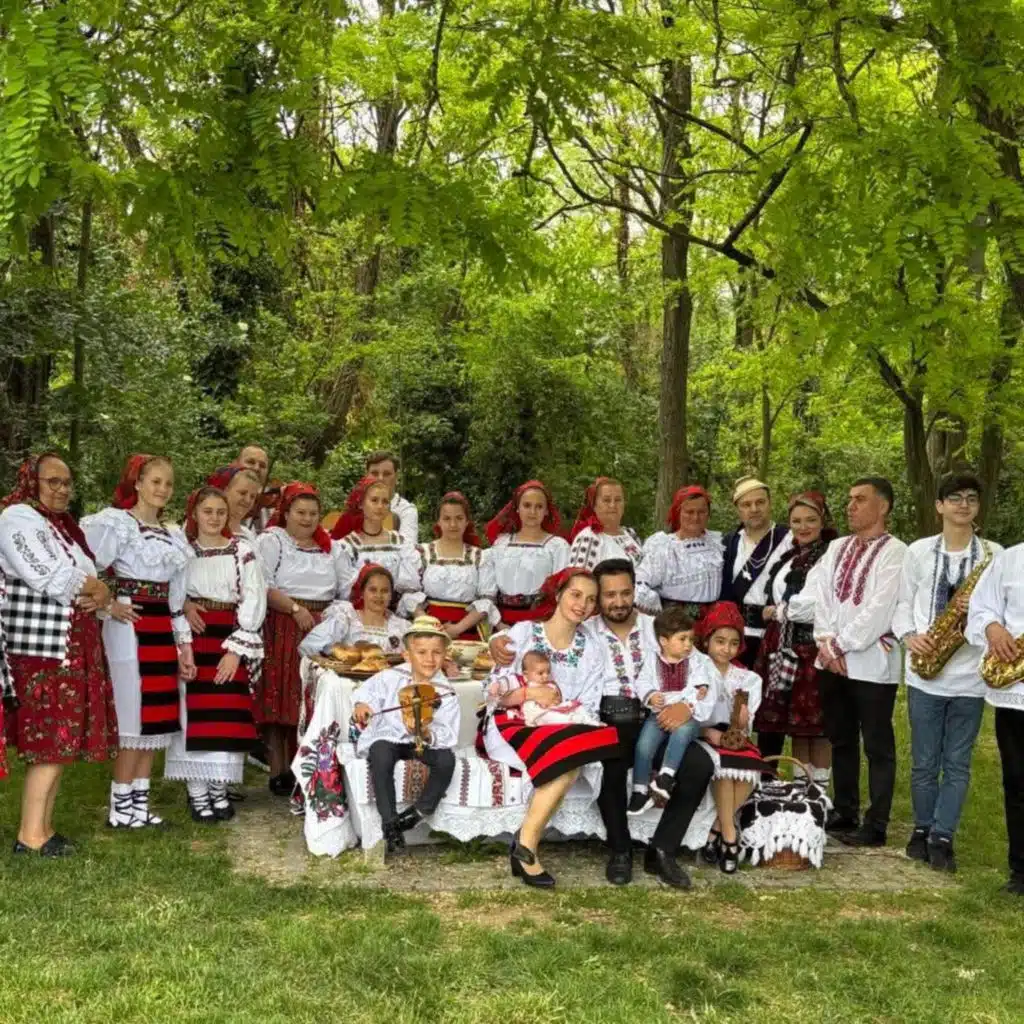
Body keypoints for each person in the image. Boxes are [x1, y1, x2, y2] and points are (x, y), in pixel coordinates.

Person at [0, 454, 118, 854]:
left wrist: (98, 589)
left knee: (60, 741)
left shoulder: (62, 527)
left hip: (70, 644)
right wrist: (97, 588)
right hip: (43, 649)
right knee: (50, 740)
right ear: (31, 482)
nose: (62, 489)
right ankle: (30, 836)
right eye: (53, 481)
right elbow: (47, 574)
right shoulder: (18, 517)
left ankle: (43, 829)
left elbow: (87, 576)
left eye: (67, 482)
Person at [585, 559, 720, 888]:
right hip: (610, 718)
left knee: (699, 765)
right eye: (609, 595)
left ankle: (661, 851)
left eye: (625, 592)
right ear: (598, 596)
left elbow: (702, 668)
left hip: (659, 717)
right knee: (610, 765)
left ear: (635, 590)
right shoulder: (586, 631)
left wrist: (688, 707)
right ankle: (620, 850)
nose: (619, 602)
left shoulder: (657, 627)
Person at [482, 568, 620, 887]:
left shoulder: (592, 648)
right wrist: (530, 694)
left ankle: (525, 845)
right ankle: (527, 848)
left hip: (562, 724)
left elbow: (588, 704)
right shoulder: (524, 633)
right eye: (575, 595)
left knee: (573, 750)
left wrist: (559, 709)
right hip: (516, 720)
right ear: (558, 595)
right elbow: (492, 689)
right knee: (569, 758)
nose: (582, 605)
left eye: (591, 600)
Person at [790, 477, 907, 847]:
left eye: (860, 499)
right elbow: (820, 596)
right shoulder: (837, 546)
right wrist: (827, 644)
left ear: (882, 506)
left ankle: (876, 823)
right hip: (832, 660)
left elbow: (880, 609)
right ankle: (844, 810)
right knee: (840, 738)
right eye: (850, 499)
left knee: (877, 744)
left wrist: (839, 645)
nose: (850, 506)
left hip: (872, 663)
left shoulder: (896, 553)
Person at [893, 474, 1001, 872]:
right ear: (939, 505)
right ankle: (922, 828)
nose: (963, 504)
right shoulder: (919, 551)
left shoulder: (993, 554)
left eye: (971, 498)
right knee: (924, 762)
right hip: (925, 672)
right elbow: (902, 602)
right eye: (954, 498)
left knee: (957, 762)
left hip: (970, 674)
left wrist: (978, 619)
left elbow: (1002, 610)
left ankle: (943, 836)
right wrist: (909, 635)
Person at [82, 454, 195, 829]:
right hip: (130, 626)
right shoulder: (117, 524)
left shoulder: (173, 535)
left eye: (169, 483)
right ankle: (120, 806)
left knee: (156, 721)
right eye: (155, 481)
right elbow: (84, 564)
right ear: (138, 483)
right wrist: (107, 604)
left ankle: (140, 804)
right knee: (133, 717)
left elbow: (177, 597)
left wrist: (184, 645)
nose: (163, 489)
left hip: (162, 625)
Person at [164, 487, 267, 823]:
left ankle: (219, 788)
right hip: (194, 638)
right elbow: (172, 593)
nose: (214, 517)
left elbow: (254, 597)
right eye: (207, 511)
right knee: (193, 716)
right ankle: (197, 791)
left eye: (220, 512)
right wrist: (186, 612)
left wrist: (236, 650)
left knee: (227, 715)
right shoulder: (183, 552)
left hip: (229, 637)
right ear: (194, 513)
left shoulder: (242, 551)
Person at [257, 482, 347, 794]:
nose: (307, 519)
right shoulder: (273, 541)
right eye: (300, 512)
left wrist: (335, 620)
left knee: (313, 698)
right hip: (284, 622)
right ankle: (279, 769)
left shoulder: (331, 547)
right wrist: (294, 609)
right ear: (286, 513)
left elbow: (346, 588)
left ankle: (307, 770)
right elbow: (263, 584)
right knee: (282, 697)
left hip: (322, 628)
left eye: (313, 513)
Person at [353, 615, 459, 856]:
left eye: (436, 653)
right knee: (380, 752)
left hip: (422, 743)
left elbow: (448, 731)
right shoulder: (391, 677)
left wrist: (427, 733)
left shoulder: (445, 691)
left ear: (445, 656)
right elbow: (367, 692)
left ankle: (418, 812)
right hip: (392, 738)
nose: (429, 659)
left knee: (446, 760)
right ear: (407, 655)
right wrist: (362, 705)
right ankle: (389, 821)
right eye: (421, 652)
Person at [753, 491, 837, 771]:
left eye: (810, 520)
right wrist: (778, 610)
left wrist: (777, 611)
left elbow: (815, 605)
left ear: (823, 520)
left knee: (816, 726)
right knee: (797, 726)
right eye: (796, 521)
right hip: (783, 644)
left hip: (811, 646)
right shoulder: (791, 556)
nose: (803, 527)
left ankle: (818, 789)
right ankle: (801, 786)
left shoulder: (829, 556)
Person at [966, 543, 1024, 896]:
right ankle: (1021, 870)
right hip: (1016, 692)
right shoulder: (1010, 558)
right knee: (1017, 782)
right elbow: (981, 606)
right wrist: (992, 628)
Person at [694, 601, 767, 874]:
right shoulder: (697, 670)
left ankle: (718, 829)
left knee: (746, 766)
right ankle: (730, 837)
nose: (726, 649)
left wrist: (743, 718)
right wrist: (706, 731)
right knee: (725, 767)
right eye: (720, 641)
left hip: (733, 737)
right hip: (703, 735)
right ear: (707, 640)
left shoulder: (748, 679)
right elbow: (690, 712)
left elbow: (742, 727)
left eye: (733, 643)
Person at [627, 605, 716, 813]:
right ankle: (639, 790)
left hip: (686, 715)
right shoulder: (652, 660)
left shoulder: (695, 661)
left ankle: (666, 776)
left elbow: (701, 686)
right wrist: (651, 695)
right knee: (644, 746)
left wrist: (692, 697)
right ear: (663, 641)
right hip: (658, 714)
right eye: (682, 639)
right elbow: (642, 682)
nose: (688, 645)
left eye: (691, 639)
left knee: (682, 733)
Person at [404, 492, 499, 639]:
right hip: (427, 631)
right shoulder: (422, 553)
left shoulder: (480, 557)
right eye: (447, 518)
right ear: (438, 521)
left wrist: (457, 629)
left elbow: (486, 601)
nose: (453, 524)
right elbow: (409, 595)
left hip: (467, 632)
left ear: (467, 521)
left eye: (459, 518)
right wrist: (427, 624)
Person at [719, 477, 792, 668]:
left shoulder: (790, 539)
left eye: (760, 502)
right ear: (738, 509)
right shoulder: (728, 543)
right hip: (736, 637)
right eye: (746, 504)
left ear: (770, 503)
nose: (754, 509)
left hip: (776, 634)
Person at [482, 480, 571, 626]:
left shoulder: (557, 546)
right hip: (501, 623)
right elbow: (488, 592)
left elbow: (561, 592)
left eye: (539, 506)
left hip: (540, 623)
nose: (532, 512)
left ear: (547, 511)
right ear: (517, 508)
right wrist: (499, 625)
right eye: (527, 505)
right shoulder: (501, 544)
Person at [330, 476, 420, 604]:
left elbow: (409, 589)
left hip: (395, 611)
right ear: (361, 504)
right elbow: (347, 592)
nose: (380, 506)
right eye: (374, 500)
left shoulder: (400, 543)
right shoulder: (347, 546)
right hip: (358, 611)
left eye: (385, 501)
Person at [635, 485, 723, 616]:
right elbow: (639, 583)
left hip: (713, 621)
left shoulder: (717, 543)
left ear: (708, 514)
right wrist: (656, 609)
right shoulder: (663, 547)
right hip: (675, 622)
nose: (696, 517)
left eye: (701, 512)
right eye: (689, 512)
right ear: (678, 513)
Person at [299, 564, 411, 658]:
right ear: (362, 592)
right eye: (372, 590)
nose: (379, 596)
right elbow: (309, 647)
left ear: (391, 595)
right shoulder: (346, 617)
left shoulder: (402, 627)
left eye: (385, 591)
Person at [487, 650, 599, 726]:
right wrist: (497, 686)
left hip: (553, 708)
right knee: (549, 717)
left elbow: (557, 698)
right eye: (540, 673)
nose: (545, 676)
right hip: (536, 713)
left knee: (576, 706)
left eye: (547, 672)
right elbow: (506, 682)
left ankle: (588, 720)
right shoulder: (521, 681)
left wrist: (556, 700)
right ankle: (572, 720)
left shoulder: (550, 684)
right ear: (526, 674)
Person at [567, 477, 643, 572]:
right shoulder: (589, 537)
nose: (613, 505)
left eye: (618, 500)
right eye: (606, 500)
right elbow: (578, 578)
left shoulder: (630, 534)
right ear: (594, 506)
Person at [364, 450, 419, 542]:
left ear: (396, 477)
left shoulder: (406, 511)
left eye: (386, 474)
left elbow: (407, 547)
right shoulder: (356, 506)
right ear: (366, 476)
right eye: (374, 473)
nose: (380, 478)